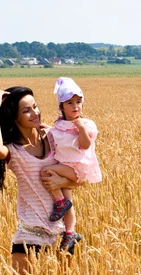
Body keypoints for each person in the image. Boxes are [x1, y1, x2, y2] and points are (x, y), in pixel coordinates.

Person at [0, 86, 83, 275]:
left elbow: (81, 175)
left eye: (35, 107)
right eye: (27, 110)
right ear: (15, 118)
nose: (35, 113)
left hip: (62, 235)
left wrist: (61, 182)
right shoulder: (14, 151)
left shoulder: (53, 137)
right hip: (29, 236)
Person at [41, 77, 102, 250]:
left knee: (46, 171)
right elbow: (56, 134)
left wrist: (81, 127)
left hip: (77, 167)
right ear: (61, 107)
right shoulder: (60, 124)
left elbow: (85, 145)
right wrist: (47, 129)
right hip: (65, 168)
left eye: (78, 102)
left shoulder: (87, 124)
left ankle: (59, 202)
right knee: (69, 202)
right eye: (69, 103)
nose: (75, 106)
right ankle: (70, 232)